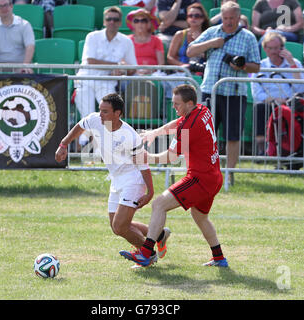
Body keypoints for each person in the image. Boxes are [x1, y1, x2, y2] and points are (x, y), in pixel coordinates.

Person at [119, 84, 227, 267]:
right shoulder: (202, 109)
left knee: (159, 204)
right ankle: (219, 257)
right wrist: (156, 132)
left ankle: (146, 253)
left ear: (190, 103)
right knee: (200, 217)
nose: (173, 107)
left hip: (199, 179)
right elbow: (178, 122)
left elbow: (171, 156)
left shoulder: (189, 125)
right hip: (214, 176)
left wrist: (146, 157)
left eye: (177, 104)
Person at [55, 93, 158, 263]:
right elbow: (80, 126)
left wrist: (150, 192)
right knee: (116, 226)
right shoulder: (95, 119)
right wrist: (63, 144)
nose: (100, 115)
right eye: (100, 110)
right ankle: (158, 234)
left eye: (105, 112)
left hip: (133, 179)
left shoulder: (130, 136)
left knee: (120, 226)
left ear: (117, 114)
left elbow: (143, 165)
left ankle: (148, 255)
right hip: (116, 179)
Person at [187, 1, 260, 185]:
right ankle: (203, 172)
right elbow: (190, 51)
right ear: (221, 16)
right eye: (225, 18)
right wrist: (212, 43)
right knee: (205, 134)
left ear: (238, 18)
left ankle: (229, 174)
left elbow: (256, 66)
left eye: (231, 18)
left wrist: (241, 66)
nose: (228, 22)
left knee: (232, 135)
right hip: (210, 90)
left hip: (234, 92)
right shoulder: (212, 32)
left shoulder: (248, 37)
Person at [74, 6, 137, 149]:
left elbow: (133, 68)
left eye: (115, 19)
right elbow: (90, 60)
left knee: (107, 115)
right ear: (104, 21)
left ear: (120, 23)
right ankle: (88, 147)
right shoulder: (92, 36)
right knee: (89, 115)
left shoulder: (126, 41)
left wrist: (122, 72)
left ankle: (100, 149)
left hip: (107, 82)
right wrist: (117, 65)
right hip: (85, 80)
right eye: (109, 19)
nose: (112, 22)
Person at [251, 32, 304, 155]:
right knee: (259, 108)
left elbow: (300, 88)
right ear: (265, 49)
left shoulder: (294, 63)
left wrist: (291, 64)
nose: (273, 52)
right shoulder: (260, 66)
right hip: (270, 102)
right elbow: (257, 94)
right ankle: (261, 149)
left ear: (282, 48)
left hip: (292, 102)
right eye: (270, 48)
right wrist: (275, 99)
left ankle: (296, 147)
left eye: (276, 48)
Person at [0, 0, 35, 74]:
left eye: (6, 5)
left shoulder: (25, 25)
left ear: (11, 6)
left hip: (19, 67)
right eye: (0, 6)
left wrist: (25, 66)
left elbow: (30, 47)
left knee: (27, 72)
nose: (4, 8)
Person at [167, 2, 209, 70]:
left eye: (197, 16)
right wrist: (183, 66)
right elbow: (170, 57)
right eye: (190, 16)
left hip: (202, 72)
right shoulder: (180, 35)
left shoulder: (208, 35)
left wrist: (199, 40)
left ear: (203, 18)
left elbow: (210, 57)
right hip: (182, 73)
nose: (193, 18)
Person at [126, 8, 164, 74]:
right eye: (136, 21)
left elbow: (161, 64)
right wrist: (135, 71)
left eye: (143, 21)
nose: (140, 23)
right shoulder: (127, 40)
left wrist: (150, 71)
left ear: (149, 24)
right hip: (132, 75)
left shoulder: (156, 40)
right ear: (132, 24)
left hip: (153, 75)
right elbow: (123, 62)